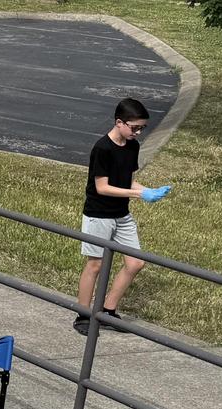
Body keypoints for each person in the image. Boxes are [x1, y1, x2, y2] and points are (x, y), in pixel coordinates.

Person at [73, 97, 170, 335]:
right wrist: (139, 196)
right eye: (134, 127)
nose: (138, 132)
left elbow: (127, 180)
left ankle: (107, 311)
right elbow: (102, 187)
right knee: (95, 265)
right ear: (119, 122)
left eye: (142, 128)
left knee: (136, 263)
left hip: (121, 214)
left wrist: (146, 189)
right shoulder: (102, 149)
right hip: (99, 214)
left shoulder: (132, 146)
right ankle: (83, 315)